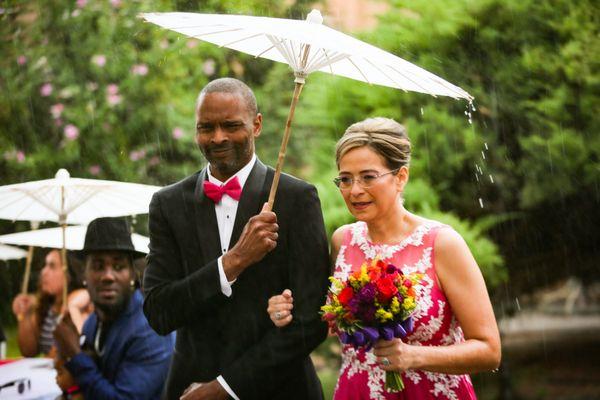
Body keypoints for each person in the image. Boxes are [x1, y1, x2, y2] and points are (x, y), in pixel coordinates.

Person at [268, 117, 501, 399]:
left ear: (401, 177)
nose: (354, 190)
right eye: (345, 179)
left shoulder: (442, 243)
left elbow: (489, 350)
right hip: (357, 391)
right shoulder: (343, 240)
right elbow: (329, 322)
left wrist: (413, 356)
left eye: (368, 177)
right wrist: (286, 311)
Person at [143, 77, 330, 400]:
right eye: (206, 128)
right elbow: (160, 312)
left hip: (281, 390)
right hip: (190, 387)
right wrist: (233, 262)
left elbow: (311, 322)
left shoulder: (296, 198)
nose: (218, 138)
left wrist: (225, 388)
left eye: (231, 125)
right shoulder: (168, 203)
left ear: (256, 125)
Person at [52, 217, 175, 399]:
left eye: (118, 266)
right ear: (84, 275)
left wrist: (75, 355)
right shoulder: (92, 323)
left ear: (133, 275)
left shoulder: (151, 330)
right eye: (98, 266)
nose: (108, 276)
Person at [11, 249, 91, 357]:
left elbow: (80, 346)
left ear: (68, 273)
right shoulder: (46, 305)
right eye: (45, 265)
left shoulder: (82, 298)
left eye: (52, 266)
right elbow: (28, 351)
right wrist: (25, 315)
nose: (44, 272)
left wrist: (72, 306)